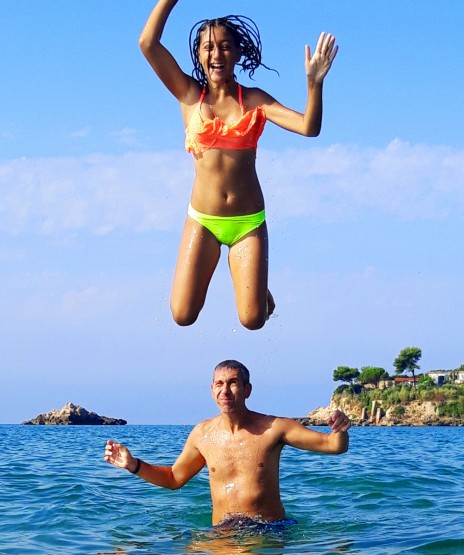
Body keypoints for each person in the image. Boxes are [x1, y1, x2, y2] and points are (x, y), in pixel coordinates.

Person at [139, 1, 339, 330]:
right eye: (208, 47)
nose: (216, 54)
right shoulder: (188, 94)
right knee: (182, 315)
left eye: (225, 46)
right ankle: (249, 279)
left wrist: (314, 83)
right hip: (203, 220)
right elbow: (148, 43)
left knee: (252, 320)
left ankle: (257, 289)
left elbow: (308, 127)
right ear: (199, 55)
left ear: (237, 53)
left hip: (247, 222)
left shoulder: (255, 100)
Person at [104, 359, 350, 526]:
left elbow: (334, 446)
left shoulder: (275, 428)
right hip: (223, 532)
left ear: (247, 389)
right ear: (212, 390)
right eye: (219, 384)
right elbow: (173, 479)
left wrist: (339, 429)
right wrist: (133, 465)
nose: (225, 390)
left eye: (233, 383)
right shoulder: (202, 434)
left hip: (268, 531)